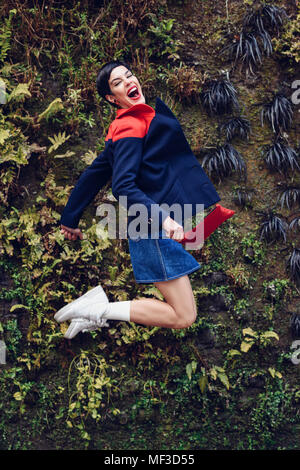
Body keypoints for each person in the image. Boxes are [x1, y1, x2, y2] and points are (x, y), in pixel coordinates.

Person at [54, 60, 221, 339]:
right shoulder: (130, 125)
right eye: (118, 82)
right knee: (183, 315)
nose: (128, 81)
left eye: (129, 75)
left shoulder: (128, 124)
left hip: (149, 229)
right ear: (111, 98)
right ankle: (97, 310)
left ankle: (95, 310)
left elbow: (96, 173)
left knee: (184, 314)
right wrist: (164, 220)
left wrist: (70, 217)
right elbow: (123, 186)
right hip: (151, 229)